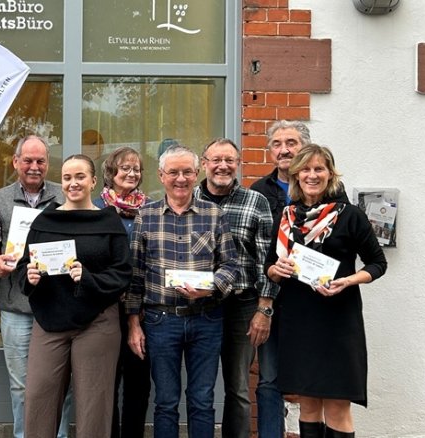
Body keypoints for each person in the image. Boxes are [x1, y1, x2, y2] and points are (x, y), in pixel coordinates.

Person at [265, 145, 387, 438]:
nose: (312, 175)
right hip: (298, 320)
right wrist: (274, 270)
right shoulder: (287, 216)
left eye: (319, 169)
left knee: (336, 406)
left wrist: (348, 280)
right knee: (307, 405)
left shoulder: (351, 215)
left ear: (330, 173)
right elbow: (270, 265)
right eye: (305, 169)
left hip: (338, 323)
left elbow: (378, 263)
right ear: (296, 174)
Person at [126, 145, 239, 438]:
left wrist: (211, 288)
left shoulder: (214, 214)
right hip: (160, 321)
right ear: (161, 176)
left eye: (187, 171)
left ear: (196, 173)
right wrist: (133, 324)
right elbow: (135, 274)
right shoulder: (146, 216)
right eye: (173, 172)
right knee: (165, 401)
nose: (180, 178)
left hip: (207, 318)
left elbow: (230, 264)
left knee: (202, 400)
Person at [18, 154, 132, 438]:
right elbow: (23, 265)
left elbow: (122, 273)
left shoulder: (109, 221)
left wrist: (89, 278)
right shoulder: (45, 220)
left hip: (97, 322)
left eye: (80, 176)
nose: (73, 183)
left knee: (95, 404)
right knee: (38, 398)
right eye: (67, 177)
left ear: (94, 181)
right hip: (49, 320)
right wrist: (28, 277)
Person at [0, 134, 72, 438]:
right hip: (17, 306)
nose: (34, 167)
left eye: (41, 161)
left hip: (58, 304)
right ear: (16, 162)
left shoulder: (65, 196)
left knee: (60, 383)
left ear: (48, 163)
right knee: (21, 384)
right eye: (28, 161)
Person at [192, 138, 276, 438]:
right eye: (216, 160)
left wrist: (264, 310)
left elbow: (268, 259)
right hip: (198, 306)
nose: (222, 166)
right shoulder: (188, 198)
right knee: (198, 386)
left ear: (238, 164)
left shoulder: (256, 202)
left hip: (242, 305)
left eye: (229, 160)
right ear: (204, 164)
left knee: (238, 387)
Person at [93, 147, 151, 438]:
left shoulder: (152, 209)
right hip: (105, 308)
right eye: (124, 168)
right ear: (111, 173)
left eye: (136, 168)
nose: (131, 173)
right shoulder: (95, 209)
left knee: (138, 384)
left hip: (143, 309)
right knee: (107, 384)